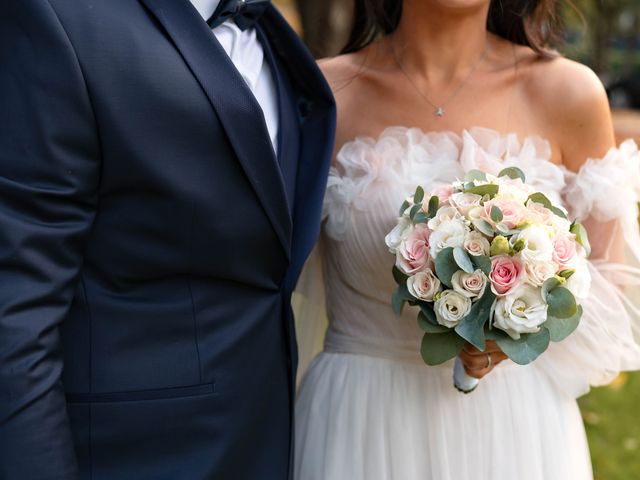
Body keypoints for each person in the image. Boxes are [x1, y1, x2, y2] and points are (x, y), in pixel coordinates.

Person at [294, 0, 640, 479]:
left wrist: (517, 319)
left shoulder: (568, 93)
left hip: (513, 430)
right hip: (360, 421)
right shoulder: (322, 93)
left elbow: (606, 286)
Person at [0, 0, 335, 478]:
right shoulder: (58, 16)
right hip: (132, 458)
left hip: (268, 445)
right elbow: (14, 318)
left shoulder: (274, 36)